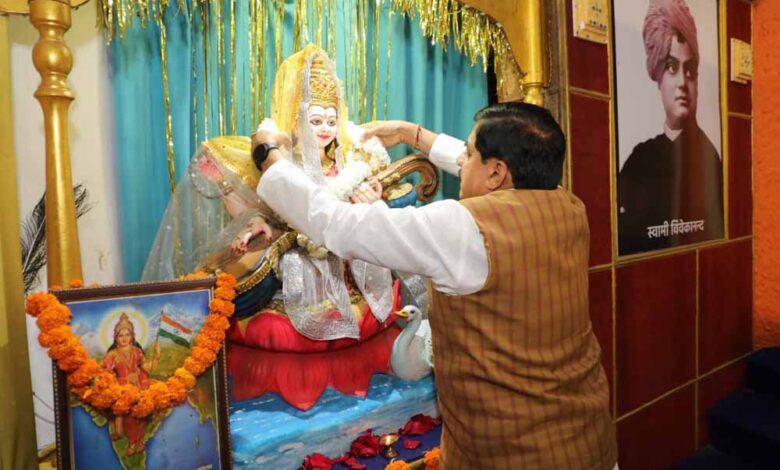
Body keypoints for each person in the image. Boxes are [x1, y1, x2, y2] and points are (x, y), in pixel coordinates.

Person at [252, 102, 618, 469]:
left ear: (496, 172)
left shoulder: (466, 227)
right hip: (588, 440)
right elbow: (501, 168)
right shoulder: (568, 205)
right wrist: (411, 135)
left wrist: (269, 155)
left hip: (515, 454)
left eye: (469, 154)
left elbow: (338, 224)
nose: (461, 161)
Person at [143, 44, 407, 410]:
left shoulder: (349, 165)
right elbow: (268, 213)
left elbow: (354, 219)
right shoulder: (286, 165)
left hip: (341, 258)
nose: (325, 129)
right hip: (296, 257)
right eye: (316, 120)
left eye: (331, 121)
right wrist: (255, 224)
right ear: (297, 122)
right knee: (270, 302)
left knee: (365, 291)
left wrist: (371, 202)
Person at [618, 0, 723, 255]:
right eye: (672, 67)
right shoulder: (638, 160)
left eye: (690, 70)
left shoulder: (708, 159)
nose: (682, 83)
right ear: (658, 78)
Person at [103, 313, 160, 456]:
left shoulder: (137, 352)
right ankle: (133, 442)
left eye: (127, 335)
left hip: (139, 386)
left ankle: (137, 443)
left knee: (141, 415)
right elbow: (105, 373)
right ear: (116, 337)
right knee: (129, 419)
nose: (124, 338)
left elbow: (146, 368)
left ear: (132, 336)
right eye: (121, 335)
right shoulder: (111, 355)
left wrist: (156, 357)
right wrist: (113, 381)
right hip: (122, 390)